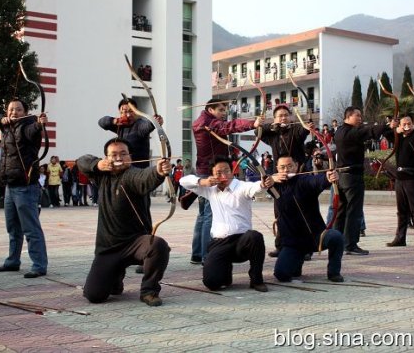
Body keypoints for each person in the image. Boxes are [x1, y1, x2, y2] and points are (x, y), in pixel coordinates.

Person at [77, 138, 171, 306]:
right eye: (113, 155)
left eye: (123, 154)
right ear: (106, 158)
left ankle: (149, 291)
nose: (119, 158)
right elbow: (81, 161)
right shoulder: (101, 176)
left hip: (136, 243)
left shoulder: (132, 174)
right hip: (109, 248)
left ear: (130, 156)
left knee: (158, 245)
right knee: (94, 295)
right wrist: (97, 165)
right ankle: (116, 277)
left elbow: (145, 177)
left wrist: (158, 171)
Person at [180, 157, 274, 292]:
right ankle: (225, 274)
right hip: (220, 243)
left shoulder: (241, 186)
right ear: (212, 175)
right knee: (212, 283)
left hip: (242, 242)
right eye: (218, 173)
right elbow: (183, 181)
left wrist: (264, 184)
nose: (224, 176)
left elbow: (256, 188)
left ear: (232, 171)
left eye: (227, 171)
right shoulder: (209, 189)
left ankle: (256, 279)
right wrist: (202, 181)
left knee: (255, 236)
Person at [190, 98, 262, 265]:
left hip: (205, 169)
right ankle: (207, 256)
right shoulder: (208, 123)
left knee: (203, 215)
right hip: (211, 172)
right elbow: (228, 126)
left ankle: (197, 254)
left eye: (225, 110)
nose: (224, 113)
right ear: (211, 109)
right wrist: (252, 123)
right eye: (221, 110)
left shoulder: (203, 121)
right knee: (209, 215)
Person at [0, 98, 49, 278]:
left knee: (30, 228)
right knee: (13, 228)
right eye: (11, 109)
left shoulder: (29, 126)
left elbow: (34, 130)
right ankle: (12, 261)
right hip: (10, 185)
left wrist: (40, 123)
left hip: (26, 186)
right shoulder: (6, 127)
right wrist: (1, 119)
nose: (14, 112)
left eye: (18, 109)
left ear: (25, 112)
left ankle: (39, 265)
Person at [270, 155, 344, 282]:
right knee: (282, 274)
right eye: (282, 167)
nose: (286, 170)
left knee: (336, 237)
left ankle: (334, 272)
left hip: (316, 237)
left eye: (289, 166)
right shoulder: (274, 186)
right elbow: (258, 184)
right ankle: (298, 261)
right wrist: (271, 178)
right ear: (277, 168)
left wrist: (328, 177)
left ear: (296, 166)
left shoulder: (304, 180)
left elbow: (316, 181)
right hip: (293, 242)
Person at [333, 107, 393, 255]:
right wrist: (387, 126)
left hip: (342, 177)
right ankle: (350, 245)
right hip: (352, 177)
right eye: (357, 115)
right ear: (348, 117)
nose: (360, 118)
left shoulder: (340, 131)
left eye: (360, 116)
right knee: (354, 211)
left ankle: (336, 242)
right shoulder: (349, 132)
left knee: (342, 211)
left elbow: (365, 131)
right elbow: (369, 131)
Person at [257, 104, 311, 257]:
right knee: (280, 211)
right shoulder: (272, 134)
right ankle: (281, 246)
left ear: (291, 117)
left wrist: (307, 126)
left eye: (286, 115)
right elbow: (258, 131)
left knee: (301, 211)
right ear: (274, 119)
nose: (283, 118)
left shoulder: (295, 130)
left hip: (297, 176)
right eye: (280, 116)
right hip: (279, 178)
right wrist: (271, 126)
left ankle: (306, 248)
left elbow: (304, 130)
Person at [384, 115, 414, 250]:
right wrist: (394, 128)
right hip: (400, 178)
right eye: (404, 124)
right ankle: (400, 238)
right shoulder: (398, 137)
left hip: (412, 177)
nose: (407, 126)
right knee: (401, 210)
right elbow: (387, 133)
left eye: (409, 123)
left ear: (413, 124)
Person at [98, 97, 162, 166]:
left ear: (136, 112)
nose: (128, 115)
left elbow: (148, 125)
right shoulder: (120, 125)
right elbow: (101, 122)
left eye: (131, 111)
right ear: (120, 113)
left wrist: (154, 121)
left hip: (139, 170)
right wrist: (113, 121)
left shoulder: (140, 125)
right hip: (123, 167)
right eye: (125, 112)